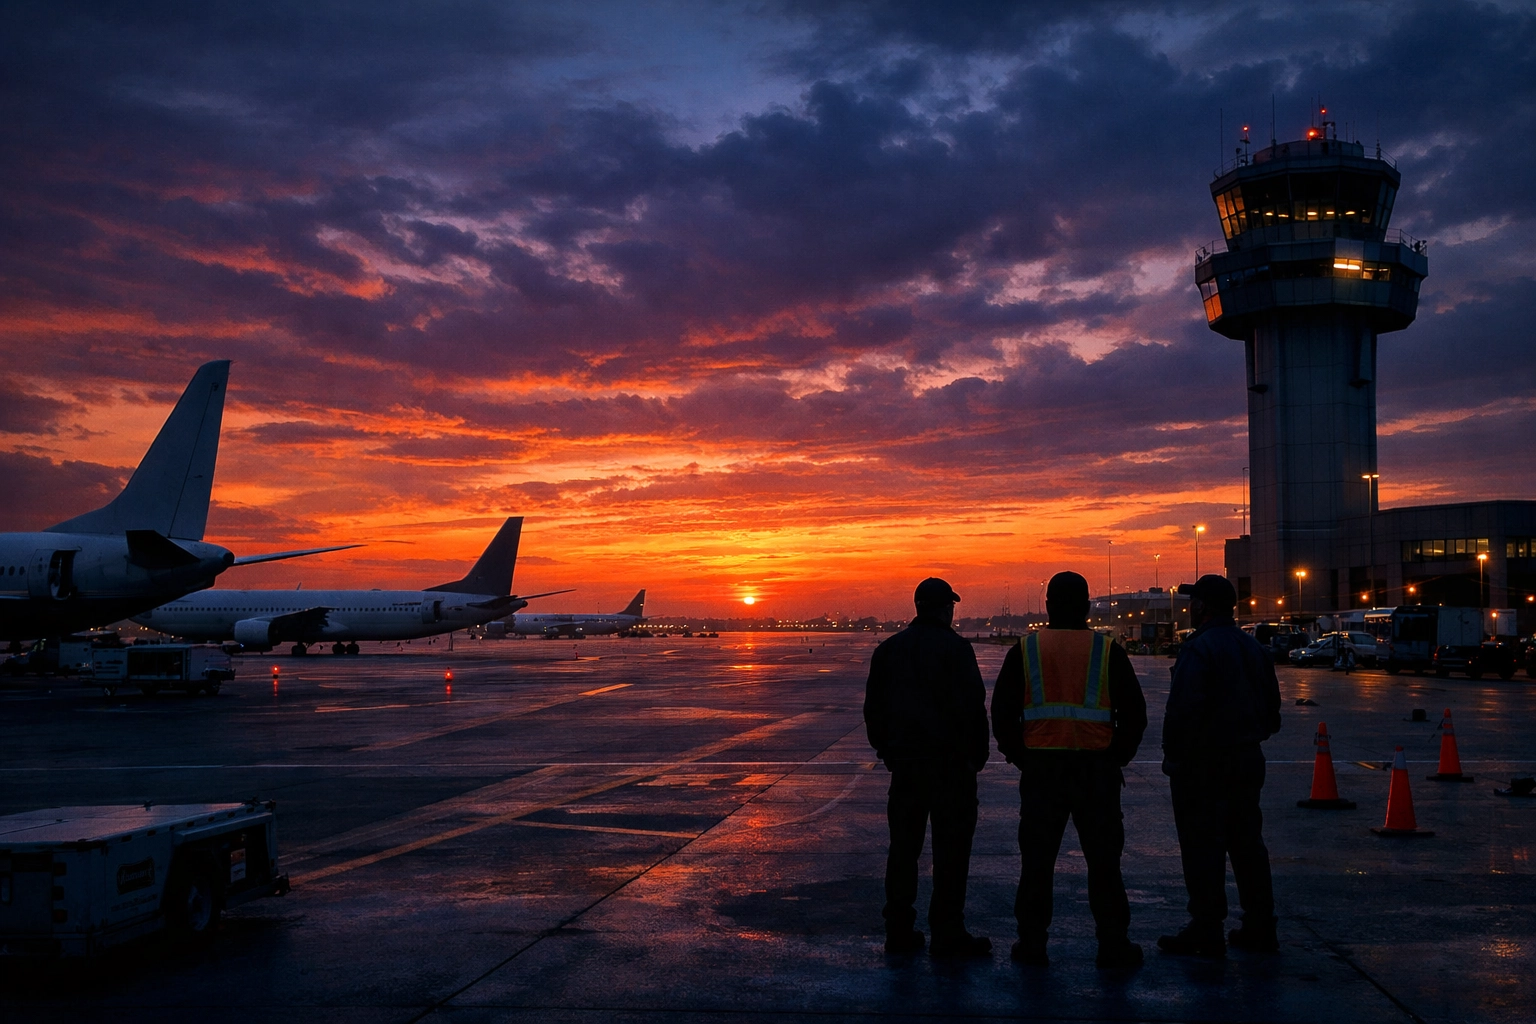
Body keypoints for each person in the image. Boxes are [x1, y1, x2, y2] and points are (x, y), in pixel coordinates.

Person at [990, 571, 1147, 969]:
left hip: (1043, 772)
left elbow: (1002, 715)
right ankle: (1113, 945)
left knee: (1037, 865)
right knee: (1104, 865)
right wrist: (1115, 758)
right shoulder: (1108, 650)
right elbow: (1135, 715)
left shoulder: (1025, 650)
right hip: (1096, 773)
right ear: (1088, 606)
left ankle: (1032, 944)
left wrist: (1022, 757)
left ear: (1047, 606)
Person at [864, 577, 992, 958]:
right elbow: (974, 708)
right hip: (952, 770)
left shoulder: (888, 651)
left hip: (906, 769)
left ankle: (899, 929)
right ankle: (948, 931)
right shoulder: (957, 649)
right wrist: (976, 758)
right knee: (951, 855)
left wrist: (887, 751)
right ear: (946, 608)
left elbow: (874, 711)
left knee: (903, 851)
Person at [1158, 574, 1283, 957]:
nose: (1189, 607)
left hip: (1205, 765)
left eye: (1193, 601)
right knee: (1247, 846)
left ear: (1204, 607)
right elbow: (1273, 715)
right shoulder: (1254, 649)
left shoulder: (1199, 649)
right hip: (1247, 760)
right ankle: (1260, 924)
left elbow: (1183, 712)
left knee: (1202, 847)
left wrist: (1175, 758)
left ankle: (1206, 926)